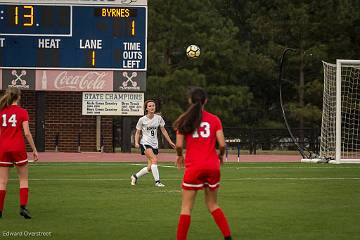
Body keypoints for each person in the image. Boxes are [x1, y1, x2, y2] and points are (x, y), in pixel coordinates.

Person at [173, 87, 232, 240]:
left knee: (186, 208)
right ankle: (228, 237)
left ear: (189, 100)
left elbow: (179, 145)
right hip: (212, 166)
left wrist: (180, 156)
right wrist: (220, 155)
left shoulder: (184, 120)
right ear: (205, 101)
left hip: (194, 167)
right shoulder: (214, 119)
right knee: (213, 205)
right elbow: (222, 144)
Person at [0, 87, 38, 219]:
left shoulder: (2, 111)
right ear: (19, 97)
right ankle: (23, 208)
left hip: (3, 147)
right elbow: (27, 133)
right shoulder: (22, 112)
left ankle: (0, 210)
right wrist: (34, 149)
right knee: (23, 179)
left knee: (2, 182)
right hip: (18, 147)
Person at [130, 100, 175, 187]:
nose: (152, 107)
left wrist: (170, 141)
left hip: (154, 144)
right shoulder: (142, 119)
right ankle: (157, 182)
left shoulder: (158, 118)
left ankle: (135, 176)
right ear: (146, 108)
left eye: (153, 105)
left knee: (150, 167)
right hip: (145, 143)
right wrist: (136, 142)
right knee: (154, 160)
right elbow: (138, 132)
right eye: (150, 106)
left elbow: (163, 130)